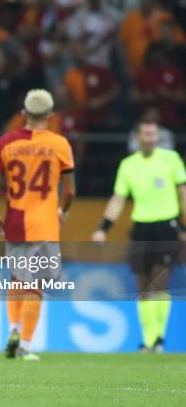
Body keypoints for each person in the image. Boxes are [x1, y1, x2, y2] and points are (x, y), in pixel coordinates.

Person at [0, 89, 76, 361]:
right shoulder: (59, 144)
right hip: (45, 223)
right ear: (50, 116)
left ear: (23, 114)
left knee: (16, 279)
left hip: (15, 221)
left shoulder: (7, 142)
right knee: (35, 286)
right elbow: (70, 190)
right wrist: (63, 210)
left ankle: (13, 329)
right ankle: (24, 345)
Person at [92, 120, 186, 352]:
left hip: (166, 226)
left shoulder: (171, 158)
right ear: (138, 137)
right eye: (146, 134)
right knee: (143, 287)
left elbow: (183, 193)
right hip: (141, 228)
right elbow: (118, 199)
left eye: (154, 134)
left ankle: (159, 339)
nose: (150, 138)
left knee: (159, 283)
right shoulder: (128, 165)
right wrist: (103, 228)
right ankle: (147, 340)